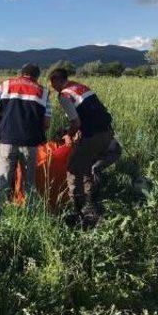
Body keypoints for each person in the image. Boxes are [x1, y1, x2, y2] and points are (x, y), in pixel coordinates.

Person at [0, 63, 51, 214]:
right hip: (30, 144)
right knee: (29, 183)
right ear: (37, 77)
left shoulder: (6, 85)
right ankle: (30, 215)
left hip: (6, 141)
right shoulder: (44, 92)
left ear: (21, 73)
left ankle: (0, 217)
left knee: (2, 183)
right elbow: (46, 124)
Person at [48, 68, 114, 223]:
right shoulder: (80, 87)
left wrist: (68, 134)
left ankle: (79, 212)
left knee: (73, 169)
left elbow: (76, 122)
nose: (52, 87)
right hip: (107, 133)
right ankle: (91, 203)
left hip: (93, 136)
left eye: (52, 83)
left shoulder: (64, 95)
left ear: (57, 80)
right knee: (86, 167)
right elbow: (88, 114)